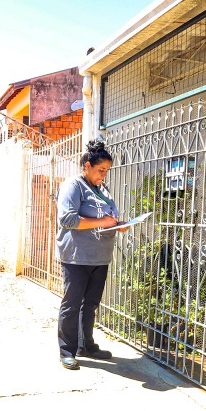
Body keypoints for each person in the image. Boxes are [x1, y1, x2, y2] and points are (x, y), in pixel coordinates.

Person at [55, 139, 126, 370]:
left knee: (91, 304)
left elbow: (107, 219)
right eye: (100, 170)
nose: (103, 175)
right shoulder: (73, 186)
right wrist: (103, 221)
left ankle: (86, 345)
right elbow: (67, 219)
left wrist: (118, 224)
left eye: (106, 171)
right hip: (77, 256)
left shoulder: (102, 189)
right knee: (72, 304)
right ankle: (67, 350)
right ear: (87, 166)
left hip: (100, 256)